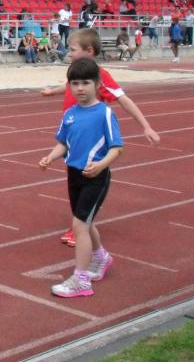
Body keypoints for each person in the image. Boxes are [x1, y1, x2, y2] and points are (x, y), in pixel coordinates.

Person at [40, 28, 160, 246]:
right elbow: (68, 85)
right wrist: (53, 92)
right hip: (73, 132)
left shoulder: (100, 76)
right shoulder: (77, 74)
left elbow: (123, 99)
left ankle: (80, 227)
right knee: (76, 181)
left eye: (73, 49)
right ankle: (80, 222)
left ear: (89, 51)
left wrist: (146, 126)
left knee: (92, 178)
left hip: (91, 137)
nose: (69, 53)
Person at [39, 58, 123, 297]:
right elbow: (63, 143)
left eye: (85, 83)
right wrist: (50, 157)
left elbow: (117, 148)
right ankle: (101, 257)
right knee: (85, 222)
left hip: (96, 176)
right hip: (74, 174)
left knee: (79, 226)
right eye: (75, 83)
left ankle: (81, 280)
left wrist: (101, 165)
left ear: (97, 84)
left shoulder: (104, 113)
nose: (80, 88)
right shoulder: (70, 114)